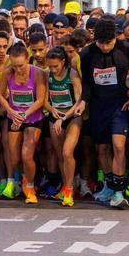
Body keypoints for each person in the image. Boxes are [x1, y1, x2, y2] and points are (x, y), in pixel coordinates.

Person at [78, 18, 129, 208]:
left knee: (119, 146)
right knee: (102, 149)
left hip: (119, 105)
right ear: (95, 40)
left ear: (116, 38)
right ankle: (109, 184)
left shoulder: (126, 48)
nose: (106, 47)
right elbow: (87, 83)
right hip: (98, 105)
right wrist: (83, 100)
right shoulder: (87, 53)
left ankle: (119, 191)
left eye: (109, 43)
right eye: (101, 43)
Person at [0, 41, 47, 204]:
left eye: (21, 65)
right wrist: (11, 112)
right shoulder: (7, 73)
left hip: (32, 117)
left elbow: (40, 100)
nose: (18, 69)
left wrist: (24, 114)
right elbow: (0, 95)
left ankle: (30, 187)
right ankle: (26, 177)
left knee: (27, 155)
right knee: (15, 158)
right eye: (14, 65)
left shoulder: (38, 73)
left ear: (27, 59)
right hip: (14, 117)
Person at [43, 45, 85, 206]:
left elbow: (79, 100)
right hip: (55, 116)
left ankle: (69, 189)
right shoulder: (47, 75)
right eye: (50, 66)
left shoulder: (72, 74)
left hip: (72, 116)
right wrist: (51, 109)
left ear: (63, 62)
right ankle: (66, 186)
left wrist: (65, 117)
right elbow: (44, 100)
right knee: (60, 155)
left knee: (68, 152)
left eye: (56, 66)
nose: (53, 69)